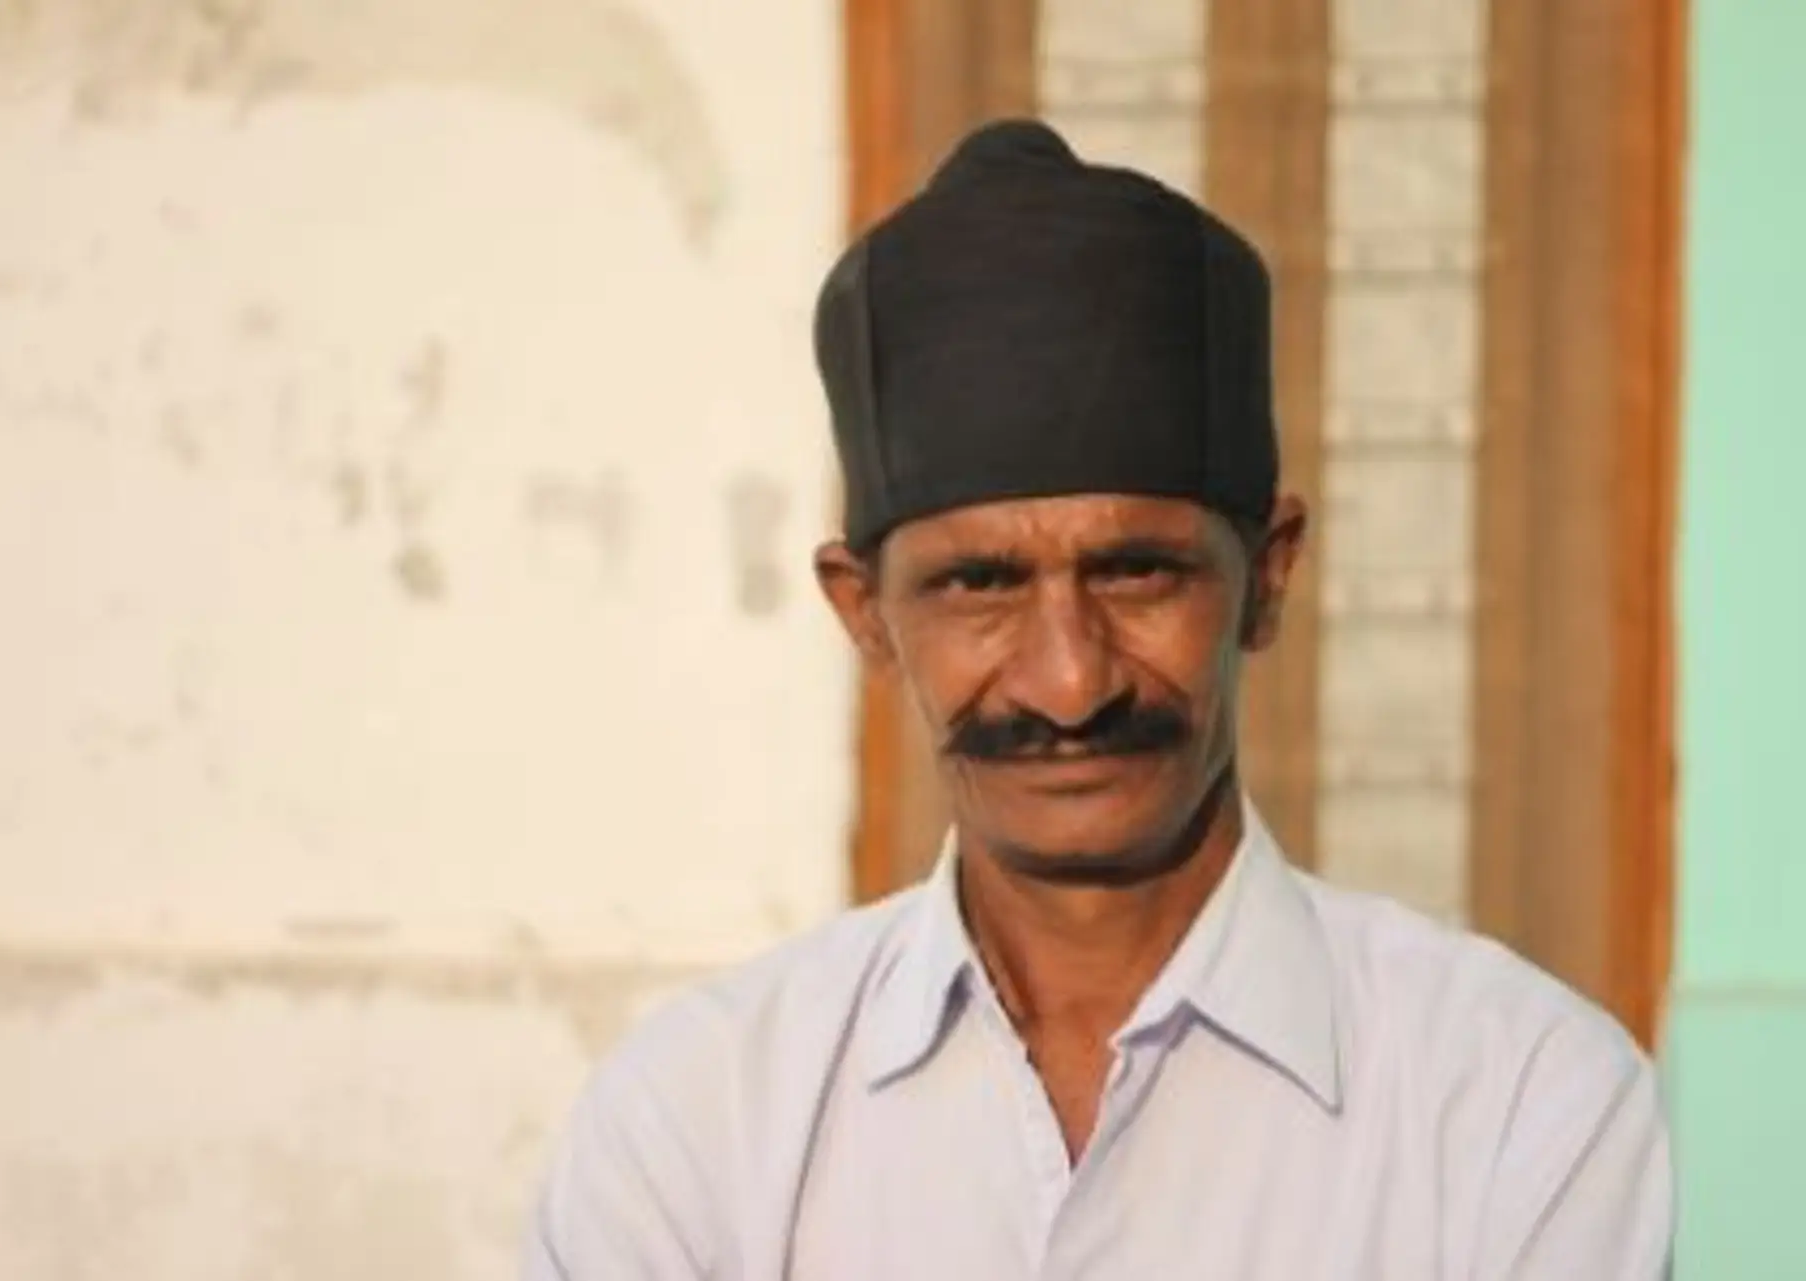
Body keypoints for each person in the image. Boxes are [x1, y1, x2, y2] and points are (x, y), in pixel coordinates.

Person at [523, 119, 1672, 1279]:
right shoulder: (697, 1126)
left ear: (1267, 577)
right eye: (980, 585)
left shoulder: (1518, 1103)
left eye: (1137, 572)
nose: (1070, 682)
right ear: (865, 613)